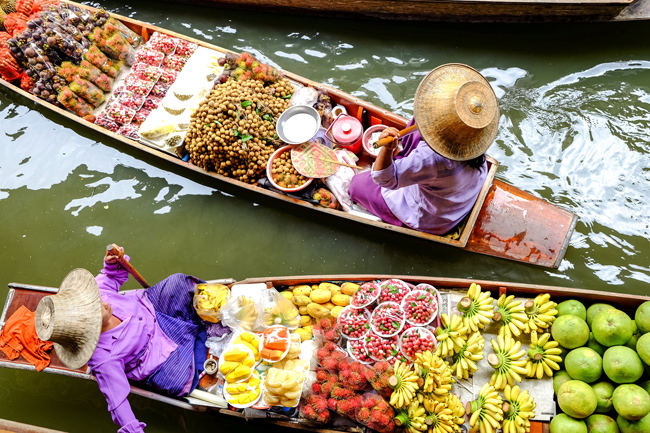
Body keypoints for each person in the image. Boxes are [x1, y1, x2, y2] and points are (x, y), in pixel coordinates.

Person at [35, 245, 208, 433]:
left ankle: (197, 323)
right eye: (96, 308)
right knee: (176, 381)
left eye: (96, 300)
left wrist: (111, 263)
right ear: (88, 327)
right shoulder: (103, 359)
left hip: (151, 309)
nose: (104, 302)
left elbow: (110, 277)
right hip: (155, 354)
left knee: (177, 283)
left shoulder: (95, 294)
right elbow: (117, 403)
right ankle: (194, 333)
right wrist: (133, 429)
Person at [348, 63, 499, 235]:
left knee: (356, 185)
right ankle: (404, 164)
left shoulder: (430, 158)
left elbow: (384, 179)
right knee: (416, 123)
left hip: (431, 219)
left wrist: (387, 150)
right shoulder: (474, 138)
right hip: (458, 201)